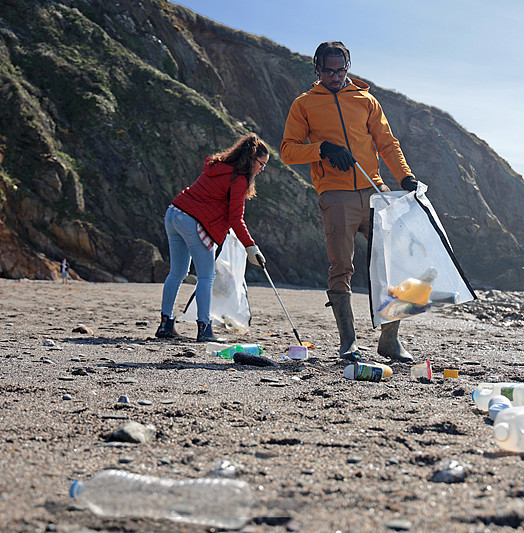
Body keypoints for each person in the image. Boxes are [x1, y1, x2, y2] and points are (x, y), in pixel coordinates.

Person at [281, 41, 419, 363]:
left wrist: (405, 177)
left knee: (396, 262)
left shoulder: (366, 101)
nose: (334, 76)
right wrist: (322, 148)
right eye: (328, 71)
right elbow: (288, 151)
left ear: (348, 66)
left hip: (376, 191)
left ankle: (390, 340)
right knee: (341, 267)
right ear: (317, 69)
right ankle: (349, 343)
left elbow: (387, 143)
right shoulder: (304, 104)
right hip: (335, 193)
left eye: (340, 70)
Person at [156, 133, 268, 342]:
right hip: (191, 220)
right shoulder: (239, 179)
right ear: (251, 159)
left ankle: (165, 324)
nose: (262, 169)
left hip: (173, 213)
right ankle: (205, 329)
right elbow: (236, 218)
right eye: (261, 164)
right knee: (206, 277)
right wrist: (250, 246)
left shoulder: (217, 166)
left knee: (177, 272)